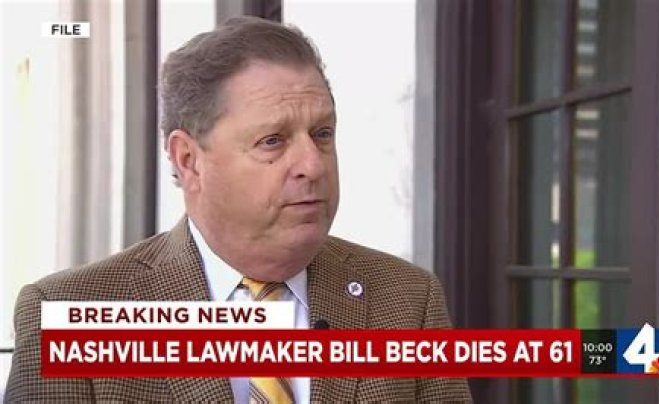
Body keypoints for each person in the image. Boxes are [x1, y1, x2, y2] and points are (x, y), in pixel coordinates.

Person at [5, 16, 471, 403]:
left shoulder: (407, 300)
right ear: (189, 160)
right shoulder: (67, 314)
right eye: (273, 141)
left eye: (322, 134)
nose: (312, 164)